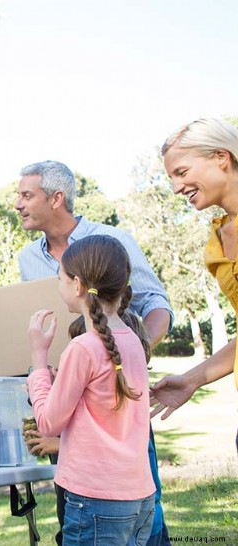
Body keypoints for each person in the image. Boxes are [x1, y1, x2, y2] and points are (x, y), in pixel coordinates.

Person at [15, 159, 172, 546]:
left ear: (57, 198)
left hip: (103, 425)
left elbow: (158, 304)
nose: (17, 203)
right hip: (95, 447)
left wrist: (111, 366)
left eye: (25, 195)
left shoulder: (111, 240)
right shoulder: (26, 258)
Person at [27, 235, 156, 546]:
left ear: (78, 285)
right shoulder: (134, 341)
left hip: (96, 500)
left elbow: (48, 423)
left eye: (60, 277)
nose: (59, 286)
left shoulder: (82, 347)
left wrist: (38, 358)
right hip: (140, 499)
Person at [152, 117, 238, 456]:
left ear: (221, 157)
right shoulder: (217, 242)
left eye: (182, 173)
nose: (175, 188)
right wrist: (192, 379)